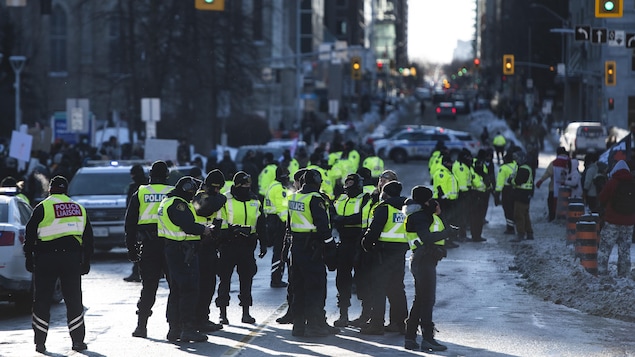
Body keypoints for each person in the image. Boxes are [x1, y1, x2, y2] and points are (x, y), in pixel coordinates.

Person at [23, 176, 94, 353]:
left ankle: (40, 343)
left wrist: (28, 257)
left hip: (46, 259)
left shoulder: (42, 207)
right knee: (74, 300)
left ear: (50, 189)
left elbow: (30, 233)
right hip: (71, 259)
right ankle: (78, 342)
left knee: (42, 301)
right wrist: (86, 261)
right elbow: (88, 238)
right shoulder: (78, 208)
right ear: (66, 190)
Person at [158, 176, 213, 343]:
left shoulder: (168, 200)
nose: (193, 196)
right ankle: (187, 328)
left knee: (177, 289)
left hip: (174, 250)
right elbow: (187, 226)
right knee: (189, 289)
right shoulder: (178, 204)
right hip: (183, 251)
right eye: (192, 192)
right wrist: (204, 230)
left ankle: (174, 328)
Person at [287, 169, 338, 337]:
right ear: (317, 182)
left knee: (298, 287)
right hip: (312, 248)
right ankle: (316, 325)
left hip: (297, 246)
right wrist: (331, 246)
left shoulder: (294, 197)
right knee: (315, 286)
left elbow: (289, 224)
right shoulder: (315, 198)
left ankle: (299, 325)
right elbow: (322, 225)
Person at [125, 160, 172, 338]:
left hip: (149, 245)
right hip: (170, 245)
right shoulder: (173, 192)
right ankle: (174, 327)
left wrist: (131, 249)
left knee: (149, 287)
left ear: (150, 175)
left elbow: (129, 224)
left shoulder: (141, 192)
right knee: (175, 286)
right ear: (167, 176)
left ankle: (141, 326)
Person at [216, 171, 267, 325]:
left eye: (249, 185)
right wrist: (232, 230)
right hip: (229, 244)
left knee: (247, 280)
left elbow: (261, 224)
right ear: (237, 185)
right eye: (244, 185)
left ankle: (246, 313)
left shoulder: (255, 200)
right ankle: (222, 313)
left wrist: (263, 243)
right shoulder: (225, 199)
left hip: (247, 246)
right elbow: (219, 221)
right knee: (224, 280)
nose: (247, 187)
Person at [403, 186, 448, 352]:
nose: (432, 202)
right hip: (423, 261)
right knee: (427, 300)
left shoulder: (421, 215)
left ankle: (410, 337)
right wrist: (448, 233)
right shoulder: (420, 217)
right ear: (424, 201)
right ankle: (427, 339)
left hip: (423, 260)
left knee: (420, 299)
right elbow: (427, 237)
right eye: (429, 200)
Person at [360, 180, 408, 335]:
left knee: (378, 289)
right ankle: (399, 323)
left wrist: (366, 246)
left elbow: (373, 231)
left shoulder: (384, 208)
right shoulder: (407, 208)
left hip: (383, 253)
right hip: (400, 252)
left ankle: (376, 324)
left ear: (385, 194)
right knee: (397, 289)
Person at [332, 173, 372, 327]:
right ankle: (343, 314)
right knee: (342, 280)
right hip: (344, 242)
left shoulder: (365, 198)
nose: (348, 186)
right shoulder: (341, 198)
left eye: (351, 183)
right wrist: (337, 219)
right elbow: (333, 214)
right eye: (346, 183)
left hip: (359, 241)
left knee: (363, 279)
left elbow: (362, 216)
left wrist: (343, 220)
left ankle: (365, 314)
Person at [192, 169, 227, 333]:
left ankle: (202, 318)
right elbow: (205, 209)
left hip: (210, 246)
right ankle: (197, 319)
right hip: (197, 247)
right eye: (216, 188)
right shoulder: (199, 196)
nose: (218, 191)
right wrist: (221, 197)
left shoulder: (211, 195)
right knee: (201, 285)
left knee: (208, 284)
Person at [597, 160, 635, 277]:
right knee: (625, 250)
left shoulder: (612, 182)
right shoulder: (633, 183)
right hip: (629, 222)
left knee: (605, 248)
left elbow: (602, 198)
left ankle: (602, 272)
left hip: (612, 221)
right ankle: (623, 274)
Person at [263, 166, 291, 288]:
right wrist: (289, 224)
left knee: (277, 250)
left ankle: (276, 278)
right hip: (279, 222)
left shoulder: (272, 185)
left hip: (271, 220)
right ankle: (276, 279)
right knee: (280, 251)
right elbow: (282, 208)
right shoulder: (279, 188)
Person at [124, 164, 149, 283]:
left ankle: (137, 273)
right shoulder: (146, 186)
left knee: (140, 248)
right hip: (146, 223)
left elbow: (129, 206)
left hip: (140, 222)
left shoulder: (139, 188)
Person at [536, 147, 571, 221]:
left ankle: (552, 217)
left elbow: (548, 173)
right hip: (568, 188)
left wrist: (540, 181)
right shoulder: (570, 162)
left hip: (554, 187)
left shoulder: (554, 163)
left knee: (551, 202)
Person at [509, 151, 535, 242]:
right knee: (525, 215)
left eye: (517, 159)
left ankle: (521, 234)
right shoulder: (527, 167)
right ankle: (529, 233)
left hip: (521, 195)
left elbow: (517, 181)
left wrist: (511, 180)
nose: (516, 161)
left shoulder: (523, 169)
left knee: (518, 215)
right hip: (525, 195)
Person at [494, 152, 518, 234]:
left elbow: (500, 182)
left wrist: (497, 194)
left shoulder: (503, 168)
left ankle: (510, 228)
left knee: (507, 209)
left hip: (507, 190)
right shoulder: (516, 165)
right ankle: (517, 225)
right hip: (516, 189)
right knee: (514, 208)